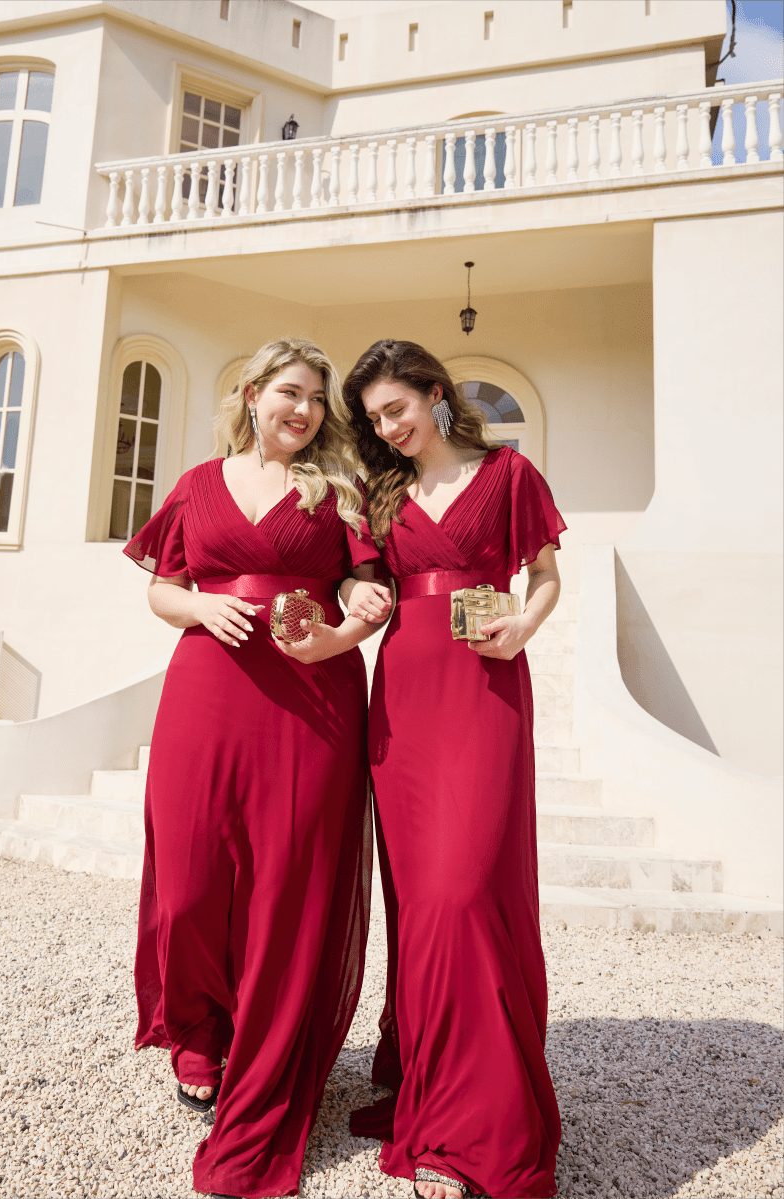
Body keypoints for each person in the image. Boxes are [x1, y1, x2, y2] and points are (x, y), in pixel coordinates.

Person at [124, 338, 381, 1199]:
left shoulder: (336, 488)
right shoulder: (198, 484)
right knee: (190, 874)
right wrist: (201, 602)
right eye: (289, 392)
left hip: (314, 702)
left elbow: (366, 594)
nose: (303, 410)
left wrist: (346, 627)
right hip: (206, 688)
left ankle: (267, 1053)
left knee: (287, 884)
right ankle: (198, 1024)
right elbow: (161, 587)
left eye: (315, 398)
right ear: (252, 393)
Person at [341, 340, 565, 1199]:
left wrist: (524, 626)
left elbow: (544, 577)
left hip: (485, 686)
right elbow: (363, 589)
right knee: (422, 903)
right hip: (402, 698)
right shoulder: (380, 491)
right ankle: (428, 1085)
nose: (389, 428)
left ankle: (484, 1120)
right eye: (374, 420)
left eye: (397, 408)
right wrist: (355, 600)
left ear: (435, 395)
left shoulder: (510, 476)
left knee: (469, 890)